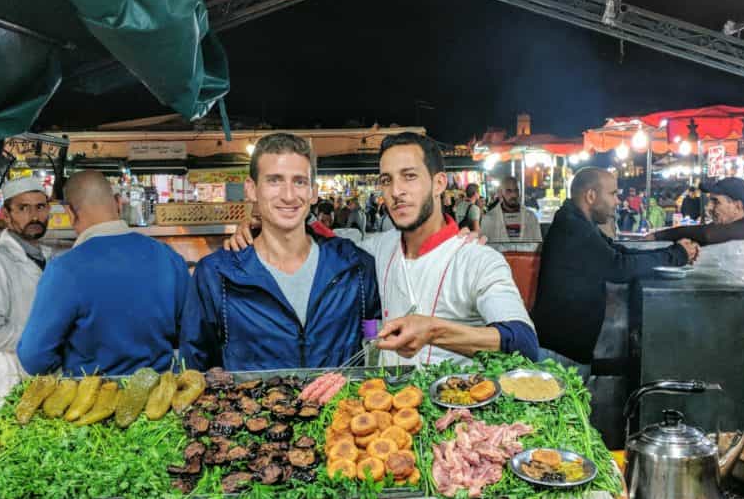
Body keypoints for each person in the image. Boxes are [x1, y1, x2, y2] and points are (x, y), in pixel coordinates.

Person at [227, 132, 538, 366]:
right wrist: (259, 226)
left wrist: (434, 331)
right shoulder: (373, 250)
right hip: (387, 420)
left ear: (439, 183)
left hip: (454, 422)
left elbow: (523, 342)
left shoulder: (478, 259)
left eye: (410, 177)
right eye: (386, 180)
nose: (397, 192)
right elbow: (310, 239)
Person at [180, 133, 380, 370]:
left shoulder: (355, 266)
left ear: (313, 192)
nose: (288, 195)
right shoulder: (216, 275)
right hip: (256, 406)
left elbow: (379, 344)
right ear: (252, 189)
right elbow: (194, 370)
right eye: (274, 180)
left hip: (339, 406)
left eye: (299, 181)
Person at [17, 171, 190, 376]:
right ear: (118, 203)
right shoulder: (168, 257)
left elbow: (34, 358)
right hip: (161, 399)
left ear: (70, 212)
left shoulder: (64, 270)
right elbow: (192, 333)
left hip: (91, 402)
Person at [531, 168, 699, 368]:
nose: (618, 201)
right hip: (558, 354)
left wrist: (674, 252)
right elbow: (619, 267)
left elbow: (619, 252)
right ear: (591, 196)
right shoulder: (572, 227)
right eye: (612, 194)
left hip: (567, 348)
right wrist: (676, 255)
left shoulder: (578, 221)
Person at [0, 176, 51, 409]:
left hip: (45, 387)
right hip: (12, 389)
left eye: (40, 207)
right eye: (23, 208)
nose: (34, 216)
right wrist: (44, 336)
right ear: (6, 214)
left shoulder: (48, 257)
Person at [648, 177, 744, 245]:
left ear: (737, 206)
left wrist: (657, 236)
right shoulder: (730, 225)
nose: (709, 207)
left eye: (716, 202)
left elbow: (706, 234)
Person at [481, 176, 542, 242]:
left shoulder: (531, 217)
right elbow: (484, 247)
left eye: (516, 190)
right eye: (509, 191)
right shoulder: (488, 219)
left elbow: (538, 245)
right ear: (501, 193)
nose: (514, 195)